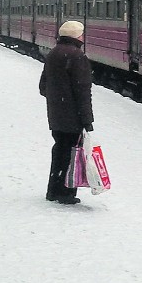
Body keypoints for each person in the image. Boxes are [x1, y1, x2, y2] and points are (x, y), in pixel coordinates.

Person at [39, 20, 94, 204]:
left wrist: (57, 99)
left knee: (60, 150)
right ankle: (65, 193)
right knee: (71, 154)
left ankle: (53, 190)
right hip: (72, 116)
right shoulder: (77, 56)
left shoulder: (53, 53)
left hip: (56, 114)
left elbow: (43, 86)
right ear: (76, 36)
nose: (82, 37)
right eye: (81, 34)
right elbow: (82, 91)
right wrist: (87, 120)